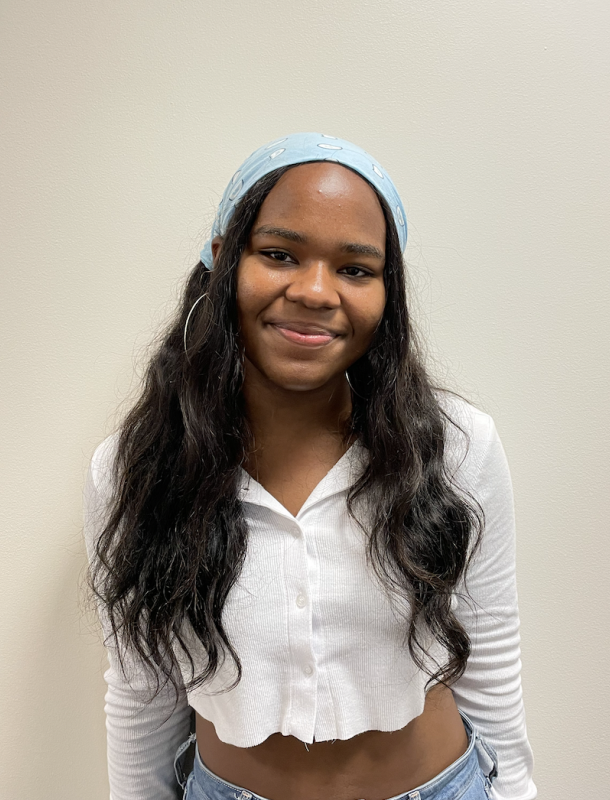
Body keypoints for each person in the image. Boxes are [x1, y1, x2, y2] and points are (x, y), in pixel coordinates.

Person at [84, 133, 537, 800]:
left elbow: (490, 650)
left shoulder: (456, 446)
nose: (316, 291)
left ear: (387, 292)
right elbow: (140, 689)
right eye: (279, 254)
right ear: (223, 261)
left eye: (355, 269)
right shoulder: (137, 469)